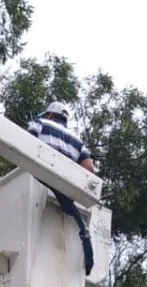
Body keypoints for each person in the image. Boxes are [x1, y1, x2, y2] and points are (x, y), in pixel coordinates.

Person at [27, 102, 96, 276]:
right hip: (62, 192)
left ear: (49, 115)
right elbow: (89, 169)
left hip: (39, 182)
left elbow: (25, 143)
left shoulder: (40, 123)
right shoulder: (78, 141)